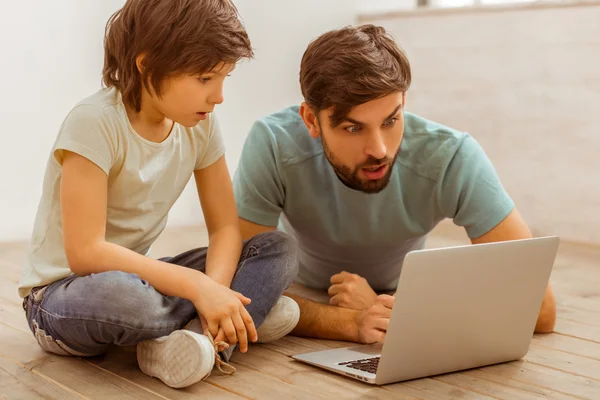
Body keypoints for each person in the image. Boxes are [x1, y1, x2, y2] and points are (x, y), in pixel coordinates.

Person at [18, 0, 299, 389]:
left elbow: (225, 230)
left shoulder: (200, 124)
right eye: (204, 79)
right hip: (64, 294)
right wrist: (201, 288)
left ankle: (200, 336)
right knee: (130, 299)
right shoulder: (94, 122)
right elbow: (85, 253)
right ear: (147, 64)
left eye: (224, 78)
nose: (217, 96)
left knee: (276, 248)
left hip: (139, 276)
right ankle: (241, 315)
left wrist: (211, 290)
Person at [233, 24, 556, 344]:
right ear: (311, 121)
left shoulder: (451, 156)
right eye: (353, 128)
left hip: (402, 292)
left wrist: (393, 312)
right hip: (296, 287)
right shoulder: (273, 144)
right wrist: (348, 322)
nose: (380, 149)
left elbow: (540, 311)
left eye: (391, 121)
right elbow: (244, 289)